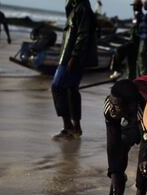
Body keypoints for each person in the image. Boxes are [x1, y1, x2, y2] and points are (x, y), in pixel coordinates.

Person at [51, 0, 97, 140]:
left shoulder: (82, 8)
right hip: (71, 56)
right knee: (71, 89)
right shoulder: (76, 7)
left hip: (71, 57)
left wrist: (75, 56)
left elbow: (83, 34)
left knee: (57, 87)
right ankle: (76, 127)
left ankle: (68, 127)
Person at [109, 0, 143, 80]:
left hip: (135, 43)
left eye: (135, 6)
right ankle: (131, 80)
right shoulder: (136, 16)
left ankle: (117, 71)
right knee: (131, 64)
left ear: (139, 7)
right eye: (133, 6)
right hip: (133, 42)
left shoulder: (140, 16)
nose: (133, 8)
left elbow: (138, 32)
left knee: (119, 50)